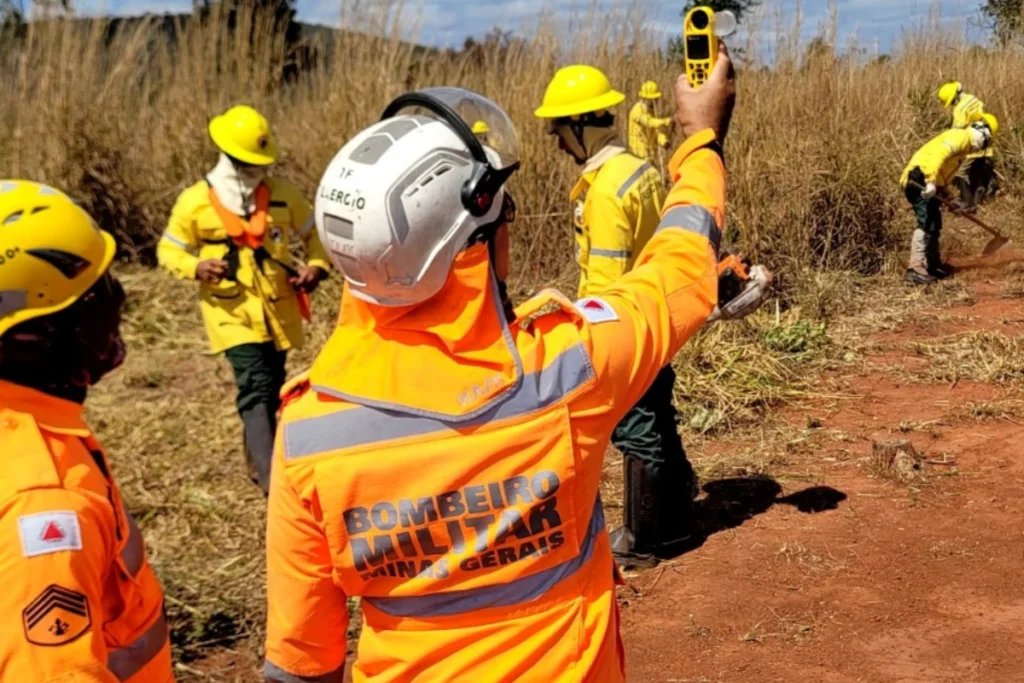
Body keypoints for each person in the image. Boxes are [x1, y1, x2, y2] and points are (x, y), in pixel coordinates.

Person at [262, 50, 735, 683]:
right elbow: (680, 264)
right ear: (479, 239)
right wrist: (701, 137)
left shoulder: (307, 435)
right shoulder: (566, 371)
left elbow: (300, 665)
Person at [0, 180, 174, 681]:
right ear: (39, 334)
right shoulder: (45, 504)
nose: (117, 302)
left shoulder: (35, 427)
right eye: (96, 293)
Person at [533, 64, 698, 568]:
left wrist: (591, 341)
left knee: (635, 424)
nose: (556, 143)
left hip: (622, 323)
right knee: (658, 411)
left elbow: (604, 282)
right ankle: (677, 511)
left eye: (558, 130)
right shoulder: (638, 170)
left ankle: (645, 539)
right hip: (656, 312)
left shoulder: (604, 191)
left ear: (580, 127)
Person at [157, 105, 331, 494]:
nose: (258, 173)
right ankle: (274, 483)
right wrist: (196, 266)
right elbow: (168, 251)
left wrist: (316, 267)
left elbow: (317, 235)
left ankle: (257, 462)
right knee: (254, 383)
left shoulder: (283, 195)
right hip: (230, 312)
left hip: (279, 309)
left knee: (272, 385)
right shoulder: (194, 202)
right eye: (250, 165)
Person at [899, 114, 998, 285]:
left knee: (934, 225)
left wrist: (950, 199)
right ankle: (915, 269)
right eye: (986, 141)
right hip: (918, 180)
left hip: (928, 181)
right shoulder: (960, 137)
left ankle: (932, 265)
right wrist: (929, 182)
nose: (982, 146)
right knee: (926, 222)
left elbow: (943, 176)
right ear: (982, 133)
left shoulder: (963, 148)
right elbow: (938, 156)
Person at [937, 81, 997, 208]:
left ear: (955, 97)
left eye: (952, 102)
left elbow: (956, 131)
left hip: (972, 144)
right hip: (985, 141)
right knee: (976, 172)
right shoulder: (973, 99)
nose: (952, 105)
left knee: (960, 172)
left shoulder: (959, 109)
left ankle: (967, 203)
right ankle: (976, 203)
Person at [628, 80, 673, 163]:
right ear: (647, 99)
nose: (655, 102)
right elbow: (648, 123)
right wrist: (664, 121)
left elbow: (654, 132)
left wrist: (663, 141)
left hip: (648, 154)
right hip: (638, 153)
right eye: (653, 99)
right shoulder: (637, 110)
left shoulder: (649, 112)